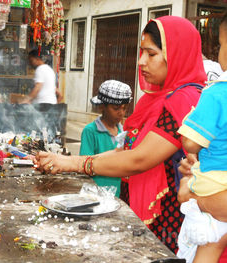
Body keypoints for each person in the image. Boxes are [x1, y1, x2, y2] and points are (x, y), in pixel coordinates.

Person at [34, 16, 207, 253]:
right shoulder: (159, 99)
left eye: (152, 54)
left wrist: (74, 163)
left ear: (177, 55)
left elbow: (139, 159)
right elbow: (126, 150)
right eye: (141, 53)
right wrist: (63, 162)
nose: (142, 62)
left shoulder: (183, 99)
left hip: (169, 222)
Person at [177, 13, 227, 263]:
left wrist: (193, 198)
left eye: (220, 44)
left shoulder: (217, 92)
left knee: (208, 246)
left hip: (214, 183)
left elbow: (190, 143)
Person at [79, 80, 132, 197]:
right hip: (93, 193)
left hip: (115, 193)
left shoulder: (123, 131)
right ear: (102, 107)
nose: (121, 113)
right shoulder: (91, 131)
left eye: (124, 108)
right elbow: (85, 163)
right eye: (116, 108)